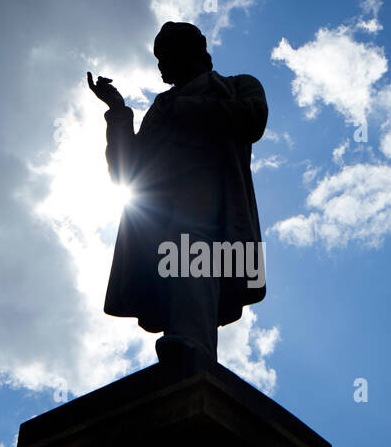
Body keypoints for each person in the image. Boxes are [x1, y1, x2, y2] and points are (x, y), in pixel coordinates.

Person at [87, 22, 268, 366]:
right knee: (181, 260)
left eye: (167, 53)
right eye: (158, 57)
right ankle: (185, 346)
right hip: (158, 210)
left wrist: (185, 110)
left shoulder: (236, 86)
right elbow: (127, 169)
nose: (161, 64)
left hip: (215, 200)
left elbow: (252, 119)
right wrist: (119, 113)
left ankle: (192, 344)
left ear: (194, 50)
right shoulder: (161, 107)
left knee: (193, 249)